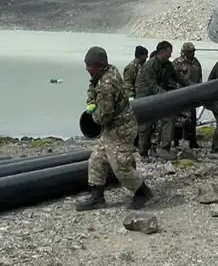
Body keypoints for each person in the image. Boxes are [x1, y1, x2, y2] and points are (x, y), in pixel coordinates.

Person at [75, 46, 153, 211]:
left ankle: (142, 192)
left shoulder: (107, 85)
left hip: (121, 130)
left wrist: (93, 112)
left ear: (100, 65)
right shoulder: (106, 72)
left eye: (90, 65)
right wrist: (91, 101)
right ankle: (97, 196)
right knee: (97, 159)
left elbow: (104, 117)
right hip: (113, 129)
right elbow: (93, 88)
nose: (87, 68)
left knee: (120, 165)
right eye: (87, 64)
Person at [135, 41, 192, 160]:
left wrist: (194, 86)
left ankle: (163, 148)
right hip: (145, 99)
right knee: (146, 127)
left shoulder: (168, 65)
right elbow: (152, 86)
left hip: (159, 98)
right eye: (169, 53)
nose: (170, 55)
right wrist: (167, 96)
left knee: (168, 119)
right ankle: (143, 152)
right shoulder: (150, 66)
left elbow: (179, 78)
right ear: (162, 52)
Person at [171, 42, 203, 149]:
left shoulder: (196, 62)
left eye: (193, 51)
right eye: (190, 51)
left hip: (192, 94)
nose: (192, 53)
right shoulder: (177, 63)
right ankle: (176, 140)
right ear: (184, 52)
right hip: (179, 94)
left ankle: (192, 140)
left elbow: (199, 77)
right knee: (178, 119)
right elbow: (172, 78)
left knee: (191, 119)